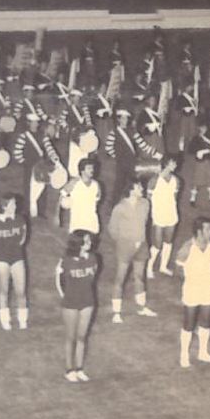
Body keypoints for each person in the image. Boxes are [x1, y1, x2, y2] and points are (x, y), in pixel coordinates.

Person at [108, 178, 156, 322]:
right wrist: (124, 241)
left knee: (140, 277)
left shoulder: (145, 204)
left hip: (142, 245)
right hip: (125, 246)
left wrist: (139, 240)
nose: (142, 189)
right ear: (131, 190)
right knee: (120, 278)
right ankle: (116, 312)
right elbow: (113, 229)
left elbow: (144, 223)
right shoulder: (120, 207)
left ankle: (141, 307)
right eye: (138, 187)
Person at [55, 230, 100, 382]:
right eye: (86, 241)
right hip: (70, 303)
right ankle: (69, 369)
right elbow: (59, 281)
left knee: (82, 337)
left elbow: (92, 278)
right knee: (71, 337)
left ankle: (79, 368)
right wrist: (66, 297)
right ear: (78, 244)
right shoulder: (65, 261)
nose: (90, 243)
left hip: (88, 302)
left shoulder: (93, 259)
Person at [176, 217, 210, 367]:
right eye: (208, 229)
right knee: (189, 323)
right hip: (191, 288)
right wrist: (191, 280)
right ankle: (184, 355)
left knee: (206, 321)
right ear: (199, 231)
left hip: (208, 287)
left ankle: (203, 352)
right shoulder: (187, 248)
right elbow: (179, 269)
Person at [0, 194, 30, 331]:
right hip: (0, 259)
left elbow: (23, 238)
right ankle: (5, 319)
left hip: (17, 257)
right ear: (5, 207)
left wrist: (15, 249)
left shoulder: (20, 219)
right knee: (4, 290)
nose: (16, 206)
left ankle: (22, 319)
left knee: (21, 291)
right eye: (13, 204)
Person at [147, 156, 181, 278]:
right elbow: (148, 198)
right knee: (157, 243)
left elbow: (175, 197)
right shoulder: (154, 180)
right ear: (165, 164)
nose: (174, 166)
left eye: (175, 164)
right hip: (158, 214)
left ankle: (163, 266)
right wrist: (152, 214)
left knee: (168, 241)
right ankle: (149, 267)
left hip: (171, 213)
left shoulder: (176, 180)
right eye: (172, 163)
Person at [65, 159, 103, 239]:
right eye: (89, 168)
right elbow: (62, 196)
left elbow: (96, 202)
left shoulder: (96, 185)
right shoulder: (73, 183)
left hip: (91, 223)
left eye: (92, 168)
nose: (92, 170)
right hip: (77, 222)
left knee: (90, 244)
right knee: (77, 244)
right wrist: (57, 215)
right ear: (82, 171)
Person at [186, 118, 210, 206]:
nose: (203, 129)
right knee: (197, 181)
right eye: (202, 127)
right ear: (199, 128)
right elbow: (190, 150)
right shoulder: (196, 139)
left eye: (205, 127)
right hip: (200, 162)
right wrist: (200, 152)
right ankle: (192, 199)